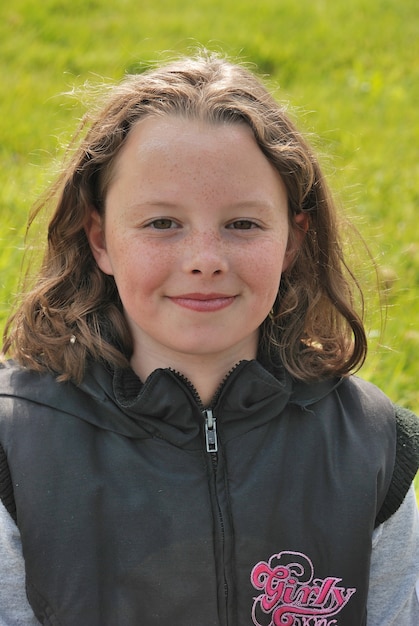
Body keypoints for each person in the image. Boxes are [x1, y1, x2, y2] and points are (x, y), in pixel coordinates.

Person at [0, 52, 418, 626]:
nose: (205, 261)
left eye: (242, 224)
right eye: (162, 223)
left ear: (292, 241)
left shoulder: (371, 446)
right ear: (99, 239)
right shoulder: (13, 445)